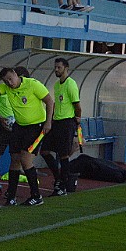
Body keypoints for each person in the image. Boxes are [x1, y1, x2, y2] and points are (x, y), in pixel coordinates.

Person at [0, 67, 53, 207]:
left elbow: (49, 101)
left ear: (16, 74)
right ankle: (11, 195)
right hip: (19, 126)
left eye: (11, 78)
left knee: (25, 159)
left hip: (35, 126)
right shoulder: (6, 88)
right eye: (6, 80)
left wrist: (48, 122)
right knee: (14, 159)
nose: (10, 82)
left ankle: (36, 195)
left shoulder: (32, 84)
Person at [40, 58, 81, 197]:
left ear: (66, 68)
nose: (56, 70)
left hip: (66, 123)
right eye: (55, 67)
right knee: (44, 150)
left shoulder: (71, 84)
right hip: (56, 122)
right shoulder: (57, 85)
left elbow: (77, 105)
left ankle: (62, 186)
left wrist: (77, 120)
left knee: (63, 155)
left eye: (59, 67)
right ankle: (59, 177)